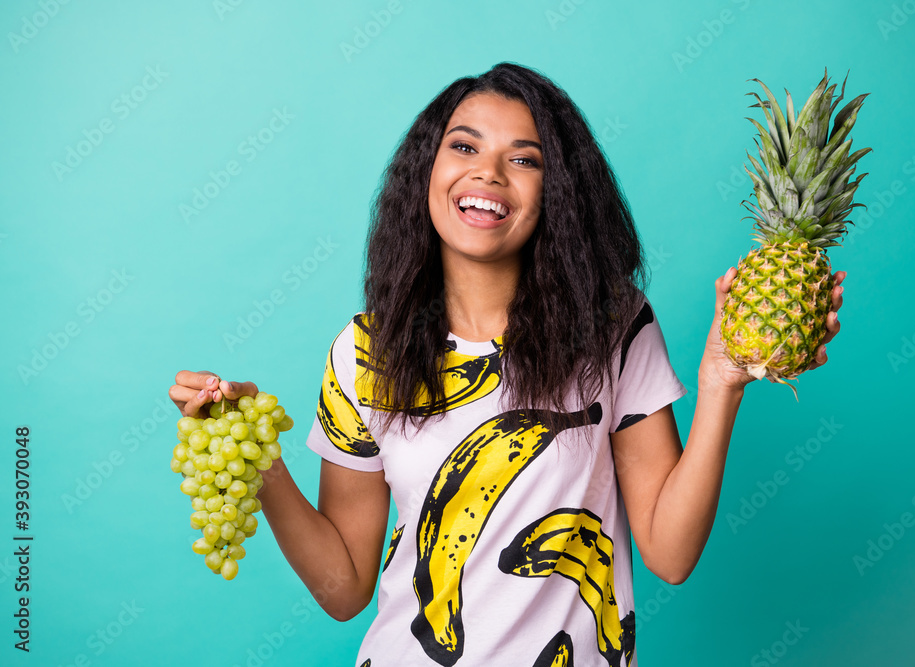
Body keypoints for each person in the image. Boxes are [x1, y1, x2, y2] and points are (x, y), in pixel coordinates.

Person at [169, 62, 844, 667]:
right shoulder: (367, 351)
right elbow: (343, 589)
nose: (487, 173)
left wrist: (720, 385)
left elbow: (670, 554)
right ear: (425, 172)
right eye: (463, 146)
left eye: (524, 160)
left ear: (558, 194)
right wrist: (257, 454)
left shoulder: (612, 329)